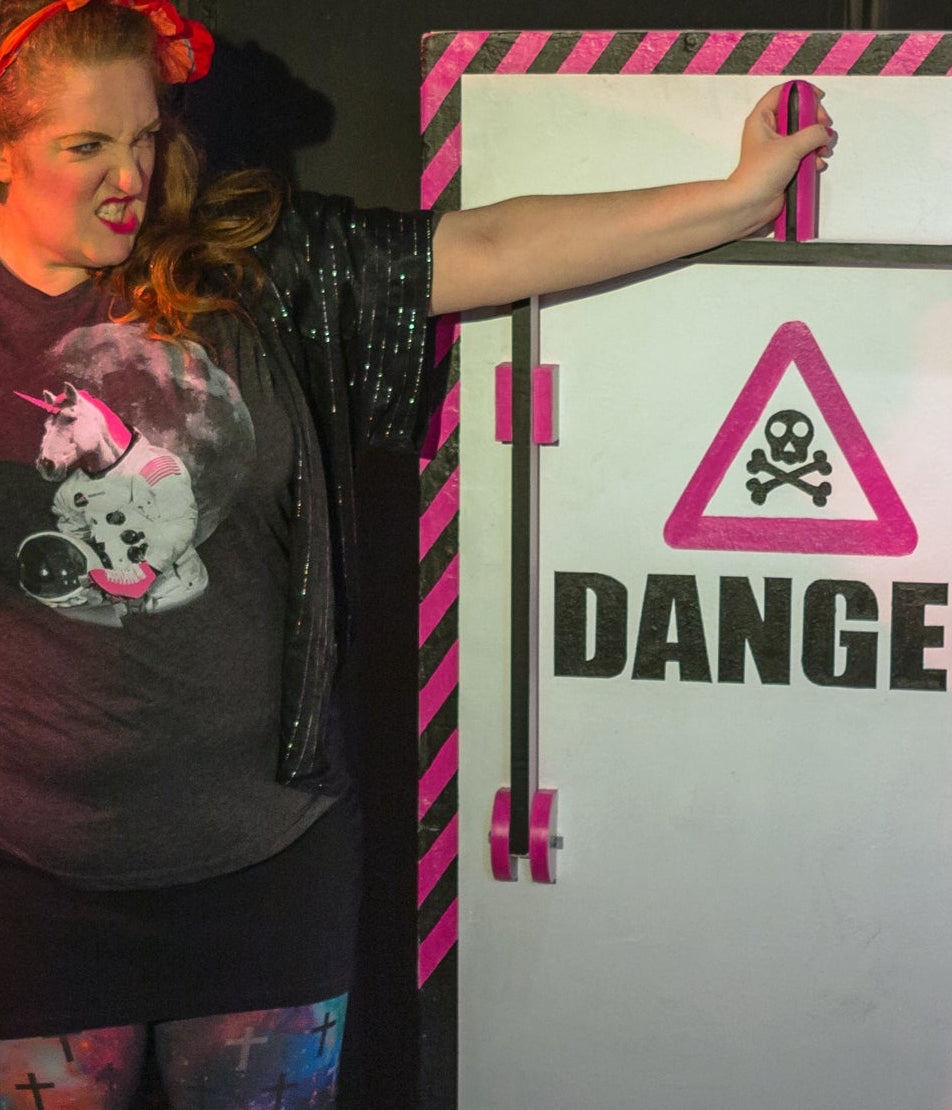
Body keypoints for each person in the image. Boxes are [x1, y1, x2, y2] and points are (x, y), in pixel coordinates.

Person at [0, 2, 833, 1107]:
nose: (130, 178)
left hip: (269, 873)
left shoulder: (253, 276)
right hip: (38, 894)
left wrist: (733, 201)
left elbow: (482, 248)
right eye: (86, 146)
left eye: (147, 137)